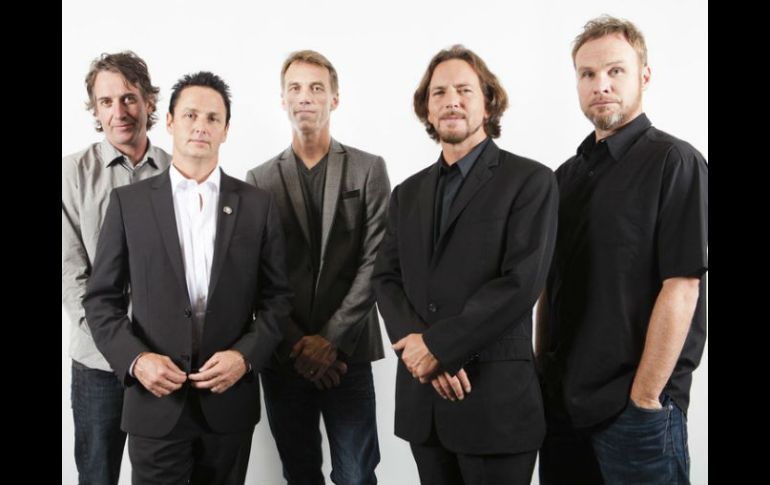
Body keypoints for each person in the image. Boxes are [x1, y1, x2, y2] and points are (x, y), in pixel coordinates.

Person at [83, 71, 292, 484]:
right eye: (191, 115)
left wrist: (245, 357)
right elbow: (101, 299)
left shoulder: (257, 205)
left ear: (226, 130)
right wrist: (137, 360)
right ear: (170, 122)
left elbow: (278, 299)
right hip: (154, 402)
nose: (201, 126)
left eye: (213, 118)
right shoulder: (129, 203)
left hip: (228, 402)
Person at [372, 45, 558, 485]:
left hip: (494, 403)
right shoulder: (407, 193)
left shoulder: (530, 181)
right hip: (425, 405)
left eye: (464, 90)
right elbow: (386, 278)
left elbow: (520, 284)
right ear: (427, 109)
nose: (450, 101)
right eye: (438, 93)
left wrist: (439, 348)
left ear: (488, 103)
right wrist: (417, 349)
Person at [536, 15, 708, 485]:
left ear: (644, 76)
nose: (601, 85)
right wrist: (543, 373)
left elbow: (683, 286)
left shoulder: (674, 162)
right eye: (587, 74)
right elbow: (549, 288)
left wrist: (645, 398)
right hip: (562, 409)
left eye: (615, 71)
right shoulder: (564, 177)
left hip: (635, 413)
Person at [246, 50, 389, 485]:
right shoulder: (259, 179)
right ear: (283, 100)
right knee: (299, 473)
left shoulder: (368, 169)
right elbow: (258, 274)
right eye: (295, 88)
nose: (304, 97)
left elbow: (376, 259)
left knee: (356, 474)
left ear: (335, 99)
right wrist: (300, 345)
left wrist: (331, 340)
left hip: (349, 352)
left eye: (316, 88)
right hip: (284, 355)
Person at [62, 50, 171, 485]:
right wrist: (124, 350)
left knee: (163, 475)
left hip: (165, 362)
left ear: (149, 101)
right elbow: (71, 276)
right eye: (106, 102)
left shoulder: (177, 171)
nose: (119, 112)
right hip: (98, 364)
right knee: (97, 476)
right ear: (95, 109)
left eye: (128, 98)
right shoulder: (72, 175)